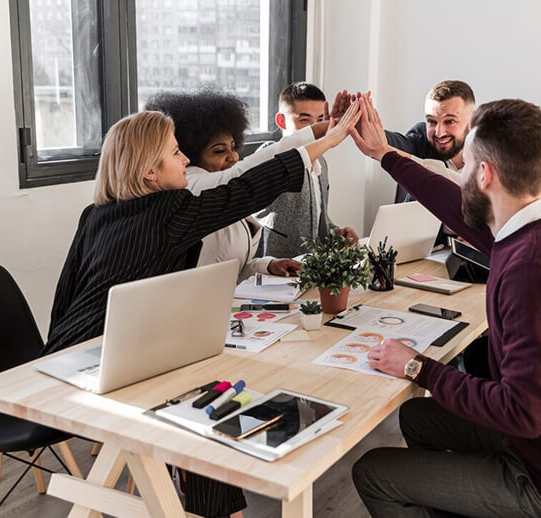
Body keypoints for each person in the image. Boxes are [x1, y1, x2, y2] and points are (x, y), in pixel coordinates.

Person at [43, 107, 360, 517]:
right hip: (98, 364)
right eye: (175, 153)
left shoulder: (96, 214)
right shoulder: (171, 210)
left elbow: (64, 294)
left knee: (208, 400)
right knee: (206, 414)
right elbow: (245, 188)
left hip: (80, 353)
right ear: (150, 172)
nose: (185, 160)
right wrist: (324, 143)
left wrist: (50, 352)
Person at [349, 96, 541, 517]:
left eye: (465, 166)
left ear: (484, 174)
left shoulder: (531, 268)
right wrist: (384, 154)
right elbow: (450, 203)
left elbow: (523, 412)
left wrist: (418, 367)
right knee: (418, 416)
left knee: (373, 472)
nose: (459, 175)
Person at [145, 88, 319, 282]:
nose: (234, 156)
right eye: (220, 151)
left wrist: (267, 265)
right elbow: (245, 173)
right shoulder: (193, 185)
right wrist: (324, 133)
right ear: (190, 154)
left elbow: (230, 266)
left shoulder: (224, 193)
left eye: (233, 147)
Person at [253, 81, 358, 258]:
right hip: (272, 266)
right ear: (281, 121)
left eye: (320, 120)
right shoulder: (269, 156)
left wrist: (338, 234)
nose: (315, 128)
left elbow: (318, 220)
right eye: (304, 120)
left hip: (310, 265)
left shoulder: (321, 163)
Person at [385, 80, 475, 201]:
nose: (439, 133)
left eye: (450, 121)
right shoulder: (421, 139)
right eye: (432, 121)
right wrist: (369, 131)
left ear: (473, 120)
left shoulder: (491, 151)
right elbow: (397, 144)